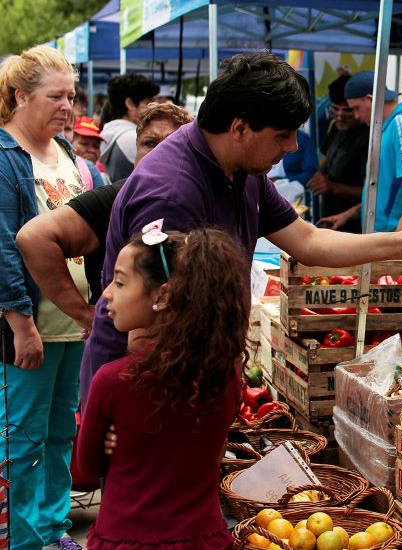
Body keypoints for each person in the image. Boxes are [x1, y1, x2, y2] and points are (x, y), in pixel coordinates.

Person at [80, 52, 402, 401]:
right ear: (240, 128)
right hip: (149, 391)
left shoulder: (241, 168)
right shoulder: (172, 192)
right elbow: (147, 330)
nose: (292, 147)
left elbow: (308, 240)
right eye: (282, 135)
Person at [77, 226, 249, 550]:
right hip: (204, 537)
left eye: (120, 281)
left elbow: (87, 468)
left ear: (163, 295)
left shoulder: (112, 381)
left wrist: (107, 441)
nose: (107, 294)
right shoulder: (224, 374)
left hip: (126, 539)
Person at [0, 44, 101, 550]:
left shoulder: (68, 156)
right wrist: (21, 323)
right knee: (23, 438)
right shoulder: (4, 157)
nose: (68, 105)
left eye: (72, 95)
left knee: (62, 431)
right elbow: (1, 245)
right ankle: (22, 538)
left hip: (73, 323)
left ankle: (53, 527)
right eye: (55, 96)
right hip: (32, 326)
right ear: (19, 96)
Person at [17, 102, 194, 327]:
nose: (159, 152)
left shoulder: (200, 197)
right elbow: (33, 238)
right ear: (136, 152)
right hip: (114, 348)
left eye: (170, 143)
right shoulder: (117, 196)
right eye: (149, 143)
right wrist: (86, 315)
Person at [319, 71, 402, 232]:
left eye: (356, 108)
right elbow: (383, 193)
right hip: (388, 239)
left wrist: (400, 236)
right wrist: (347, 215)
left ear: (369, 100)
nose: (356, 115)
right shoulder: (386, 129)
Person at [308, 74, 368, 233]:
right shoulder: (336, 128)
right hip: (330, 219)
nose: (340, 116)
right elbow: (328, 161)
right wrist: (320, 175)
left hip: (354, 228)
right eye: (335, 109)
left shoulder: (368, 138)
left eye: (347, 110)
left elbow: (371, 193)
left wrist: (333, 187)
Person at [99, 73, 159, 181]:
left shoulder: (108, 132)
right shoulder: (134, 137)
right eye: (148, 103)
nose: (153, 108)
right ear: (130, 104)